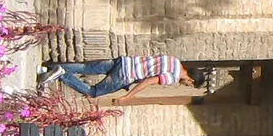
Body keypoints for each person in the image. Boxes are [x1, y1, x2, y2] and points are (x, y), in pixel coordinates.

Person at [39, 56, 196, 99]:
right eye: (188, 85)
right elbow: (148, 81)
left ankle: (49, 69)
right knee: (92, 92)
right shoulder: (172, 77)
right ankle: (62, 74)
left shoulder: (173, 60)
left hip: (124, 61)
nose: (184, 85)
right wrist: (129, 96)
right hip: (125, 76)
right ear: (191, 80)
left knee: (86, 67)